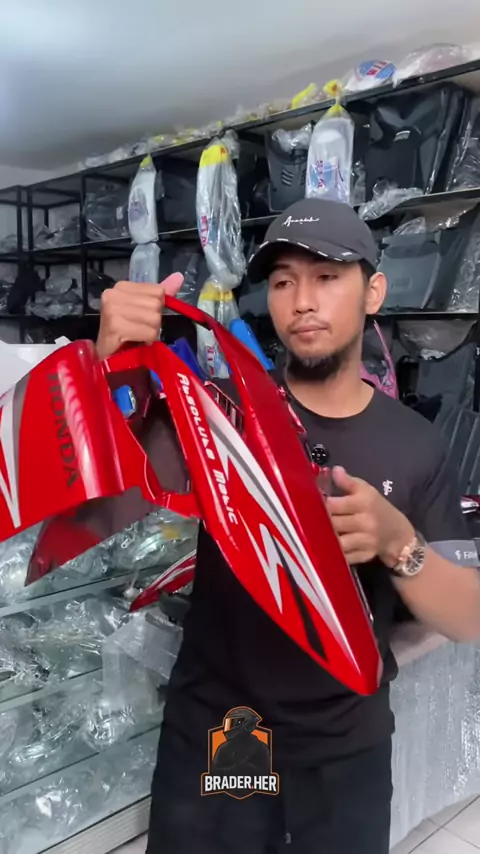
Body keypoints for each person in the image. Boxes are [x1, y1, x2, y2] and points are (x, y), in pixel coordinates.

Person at [96, 198, 480, 854]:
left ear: (373, 292)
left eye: (327, 277)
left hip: (344, 747)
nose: (302, 301)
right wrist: (110, 366)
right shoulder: (218, 413)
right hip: (226, 729)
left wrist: (397, 543)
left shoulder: (416, 444)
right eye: (282, 281)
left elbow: (467, 616)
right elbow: (107, 489)